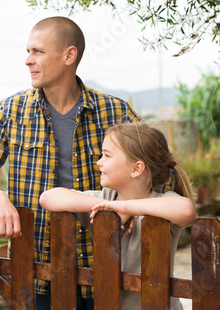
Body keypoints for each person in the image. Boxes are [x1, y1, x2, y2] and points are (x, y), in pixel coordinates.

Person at [0, 16, 140, 309]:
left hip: (107, 265)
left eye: (38, 52)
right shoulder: (11, 111)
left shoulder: (115, 112)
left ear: (69, 55)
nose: (28, 61)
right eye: (27, 52)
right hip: (38, 270)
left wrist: (131, 204)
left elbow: (157, 172)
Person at [39, 122, 197, 309]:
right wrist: (111, 207)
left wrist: (127, 208)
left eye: (107, 155)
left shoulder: (161, 202)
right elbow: (48, 198)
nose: (99, 161)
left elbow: (187, 210)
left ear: (136, 169)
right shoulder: (104, 200)